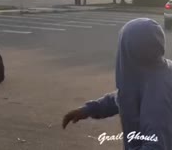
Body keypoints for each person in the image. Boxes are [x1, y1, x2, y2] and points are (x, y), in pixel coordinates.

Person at [62, 18, 172, 150]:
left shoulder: (156, 96)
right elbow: (127, 96)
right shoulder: (154, 72)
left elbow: (157, 146)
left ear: (130, 51)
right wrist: (90, 109)